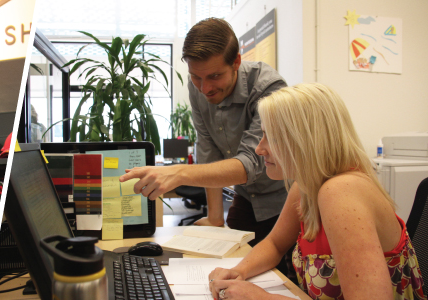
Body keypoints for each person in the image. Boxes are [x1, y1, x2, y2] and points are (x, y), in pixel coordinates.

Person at [206, 83, 424, 300]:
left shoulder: (340, 192)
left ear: (304, 140)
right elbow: (275, 244)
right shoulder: (306, 185)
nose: (259, 148)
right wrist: (239, 271)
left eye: (269, 137)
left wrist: (262, 297)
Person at [118, 18, 287, 244]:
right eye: (196, 76)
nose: (205, 88)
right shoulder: (197, 87)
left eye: (215, 76)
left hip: (283, 200)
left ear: (236, 62)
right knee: (231, 262)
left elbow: (250, 163)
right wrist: (215, 217)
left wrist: (178, 173)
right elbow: (208, 149)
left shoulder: (268, 88)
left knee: (280, 273)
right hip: (246, 196)